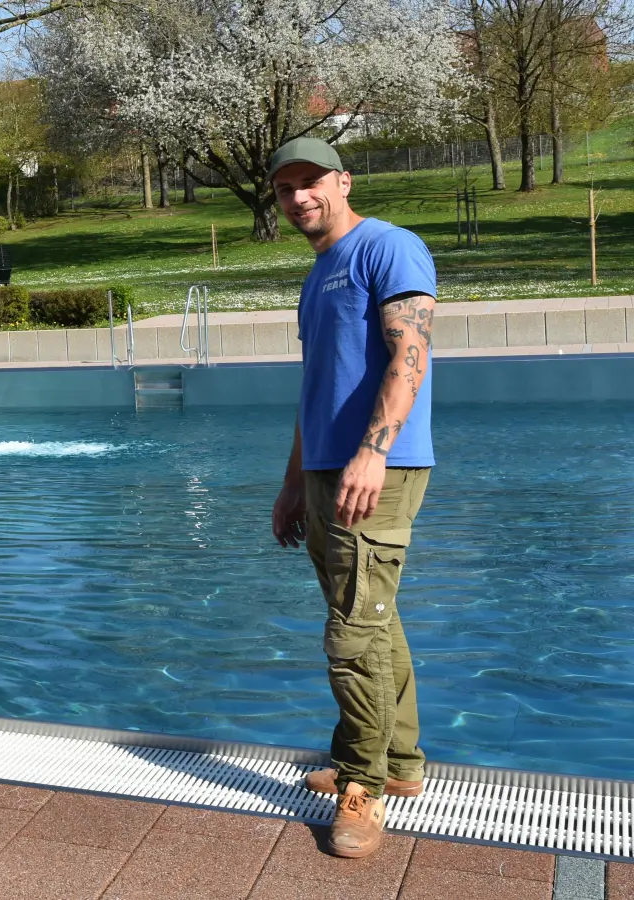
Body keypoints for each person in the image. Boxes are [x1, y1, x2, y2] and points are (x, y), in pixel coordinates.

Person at [267, 137, 436, 859]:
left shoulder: (388, 247)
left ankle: (361, 788)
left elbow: (410, 354)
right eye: (285, 188)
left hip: (376, 469)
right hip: (326, 471)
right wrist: (291, 482)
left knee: (351, 633)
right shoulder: (316, 274)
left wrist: (373, 452)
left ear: (342, 180)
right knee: (371, 614)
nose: (300, 197)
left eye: (311, 182)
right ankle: (398, 762)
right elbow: (317, 389)